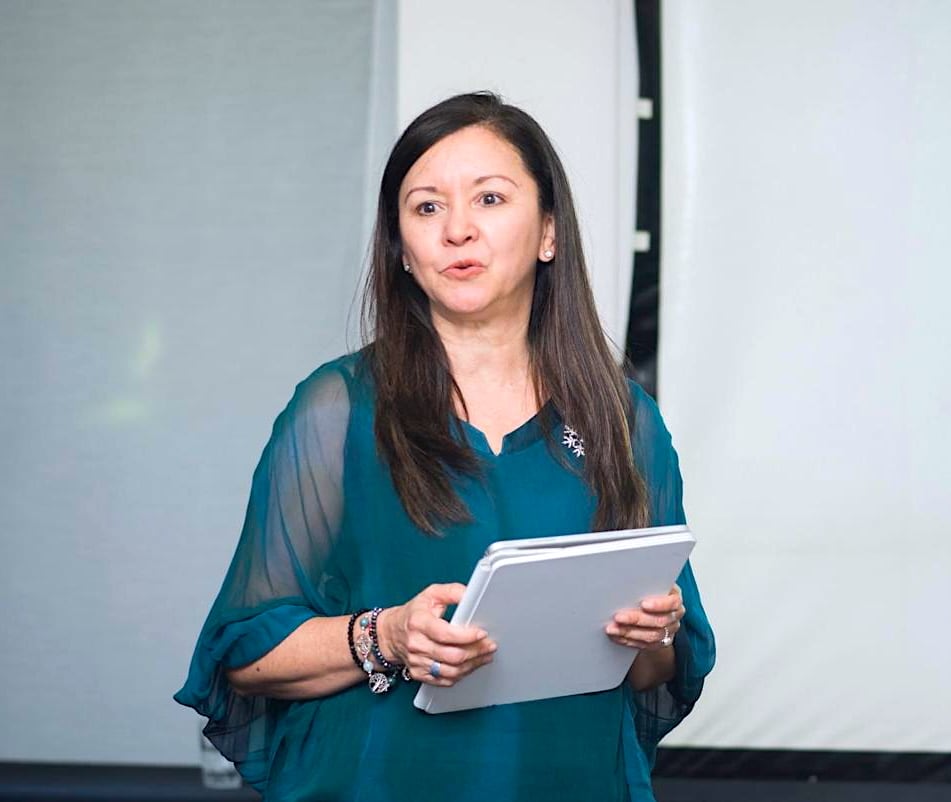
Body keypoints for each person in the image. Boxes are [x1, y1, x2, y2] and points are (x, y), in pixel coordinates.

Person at [174, 92, 714, 802]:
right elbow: (245, 654)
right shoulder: (338, 409)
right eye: (427, 207)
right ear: (402, 249)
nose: (458, 230)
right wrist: (387, 635)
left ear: (549, 233)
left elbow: (658, 671)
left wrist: (651, 632)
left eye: (490, 198)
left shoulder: (625, 420)